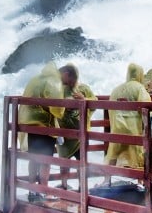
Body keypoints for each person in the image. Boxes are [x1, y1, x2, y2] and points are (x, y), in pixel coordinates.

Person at [18, 62, 67, 197]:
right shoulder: (53, 81)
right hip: (45, 126)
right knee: (46, 161)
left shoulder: (35, 80)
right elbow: (58, 109)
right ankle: (44, 190)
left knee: (33, 158)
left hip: (30, 124)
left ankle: (32, 188)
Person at [105, 63, 152, 185]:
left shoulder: (117, 89)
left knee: (113, 153)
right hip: (133, 128)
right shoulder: (139, 88)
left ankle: (106, 180)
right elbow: (146, 106)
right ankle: (141, 182)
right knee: (137, 154)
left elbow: (110, 109)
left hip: (117, 127)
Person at [57, 63, 96, 160]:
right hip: (65, 135)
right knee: (64, 164)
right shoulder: (58, 89)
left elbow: (95, 102)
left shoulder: (83, 88)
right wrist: (64, 106)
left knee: (82, 162)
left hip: (80, 135)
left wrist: (84, 99)